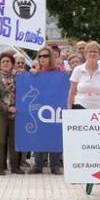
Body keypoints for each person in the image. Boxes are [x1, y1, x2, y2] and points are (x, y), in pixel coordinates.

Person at [30, 45, 65, 174]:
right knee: (39, 136)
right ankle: (38, 165)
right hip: (40, 109)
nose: (42, 58)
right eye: (40, 56)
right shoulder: (36, 73)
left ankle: (55, 166)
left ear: (51, 58)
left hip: (55, 109)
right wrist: (32, 74)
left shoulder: (59, 71)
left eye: (45, 56)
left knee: (55, 136)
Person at [0, 51, 23, 175]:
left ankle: (15, 166)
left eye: (8, 61)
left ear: (12, 64)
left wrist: (16, 107)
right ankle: (1, 167)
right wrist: (7, 108)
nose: (5, 63)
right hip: (1, 113)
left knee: (14, 140)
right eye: (3, 61)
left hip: (17, 112)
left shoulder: (19, 77)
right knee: (1, 140)